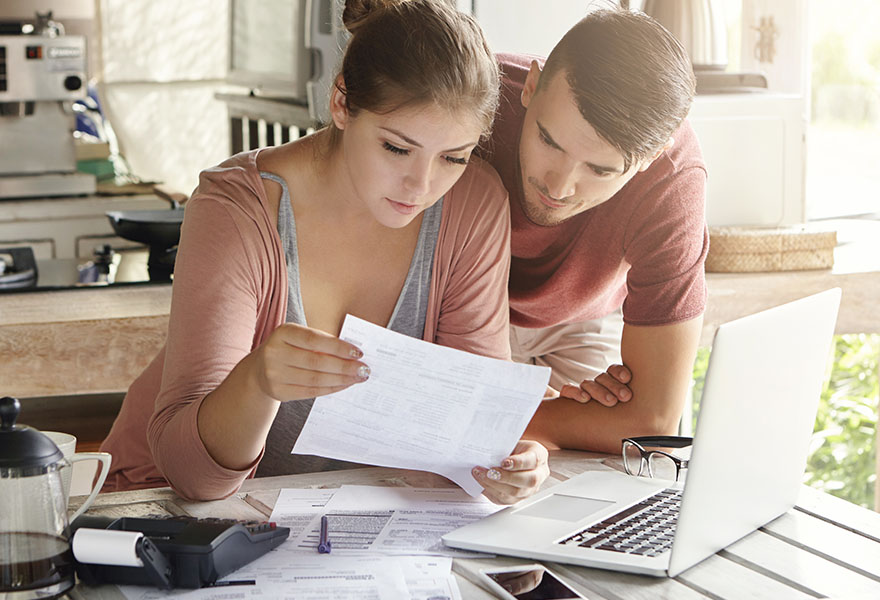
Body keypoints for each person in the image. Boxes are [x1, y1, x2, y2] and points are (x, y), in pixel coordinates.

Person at [100, 0, 549, 505]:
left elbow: (468, 432)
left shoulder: (474, 203)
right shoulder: (236, 208)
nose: (421, 185)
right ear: (341, 103)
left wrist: (505, 464)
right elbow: (195, 480)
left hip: (340, 523)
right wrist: (257, 382)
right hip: (167, 508)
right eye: (397, 148)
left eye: (453, 157)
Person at [483, 8, 709, 452]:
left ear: (650, 158)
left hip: (580, 322)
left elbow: (653, 423)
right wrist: (535, 416)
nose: (558, 186)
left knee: (597, 482)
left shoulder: (673, 180)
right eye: (549, 140)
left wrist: (498, 414)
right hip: (456, 314)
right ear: (530, 85)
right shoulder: (472, 98)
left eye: (600, 169)